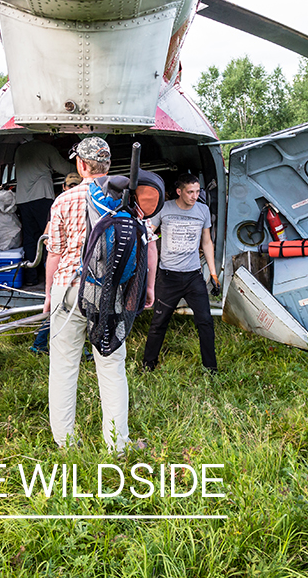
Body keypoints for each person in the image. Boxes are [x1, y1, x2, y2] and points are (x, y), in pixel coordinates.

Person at [43, 137, 155, 452]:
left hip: (68, 287)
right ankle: (118, 445)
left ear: (80, 164)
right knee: (111, 366)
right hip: (109, 291)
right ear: (107, 165)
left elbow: (54, 253)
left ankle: (66, 444)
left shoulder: (64, 201)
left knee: (64, 366)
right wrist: (147, 286)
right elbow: (145, 244)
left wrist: (49, 294)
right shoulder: (125, 200)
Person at [141, 173, 219, 372]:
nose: (195, 196)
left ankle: (211, 368)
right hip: (168, 277)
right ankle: (148, 365)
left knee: (205, 321)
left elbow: (207, 241)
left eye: (197, 191)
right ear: (179, 192)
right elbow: (148, 235)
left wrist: (213, 273)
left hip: (194, 276)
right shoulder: (164, 209)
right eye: (190, 192)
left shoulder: (203, 210)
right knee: (159, 322)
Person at [29, 171, 83, 356]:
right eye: (70, 186)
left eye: (77, 185)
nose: (73, 189)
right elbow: (47, 238)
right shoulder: (60, 205)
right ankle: (40, 343)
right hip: (61, 265)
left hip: (71, 265)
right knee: (60, 307)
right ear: (64, 187)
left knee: (69, 307)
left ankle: (42, 343)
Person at [14, 137, 74, 286]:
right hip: (41, 197)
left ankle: (31, 278)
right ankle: (51, 277)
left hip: (22, 199)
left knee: (30, 238)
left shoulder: (20, 149)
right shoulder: (47, 148)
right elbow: (64, 168)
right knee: (49, 237)